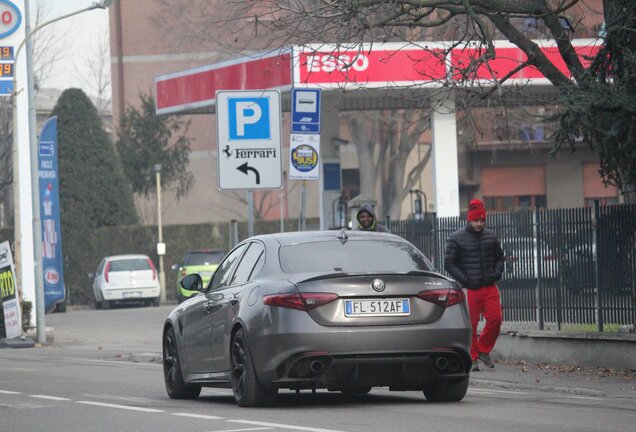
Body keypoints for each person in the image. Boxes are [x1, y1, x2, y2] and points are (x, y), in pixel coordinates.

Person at [444, 199, 504, 372]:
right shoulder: (456, 238)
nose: (479, 224)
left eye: (482, 220)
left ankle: (484, 350)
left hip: (489, 286)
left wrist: (496, 274)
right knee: (471, 324)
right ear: (469, 219)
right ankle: (473, 357)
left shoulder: (491, 236)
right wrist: (466, 280)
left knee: (496, 320)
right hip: (470, 288)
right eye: (476, 220)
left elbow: (500, 258)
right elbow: (449, 263)